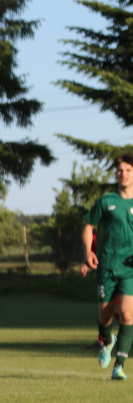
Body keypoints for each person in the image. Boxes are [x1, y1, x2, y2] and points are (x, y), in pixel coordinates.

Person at [82, 153, 133, 380]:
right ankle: (106, 340)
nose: (124, 174)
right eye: (120, 170)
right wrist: (88, 252)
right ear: (116, 174)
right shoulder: (106, 201)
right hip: (107, 265)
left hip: (129, 267)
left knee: (127, 314)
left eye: (128, 170)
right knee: (105, 317)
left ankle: (119, 366)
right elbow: (87, 227)